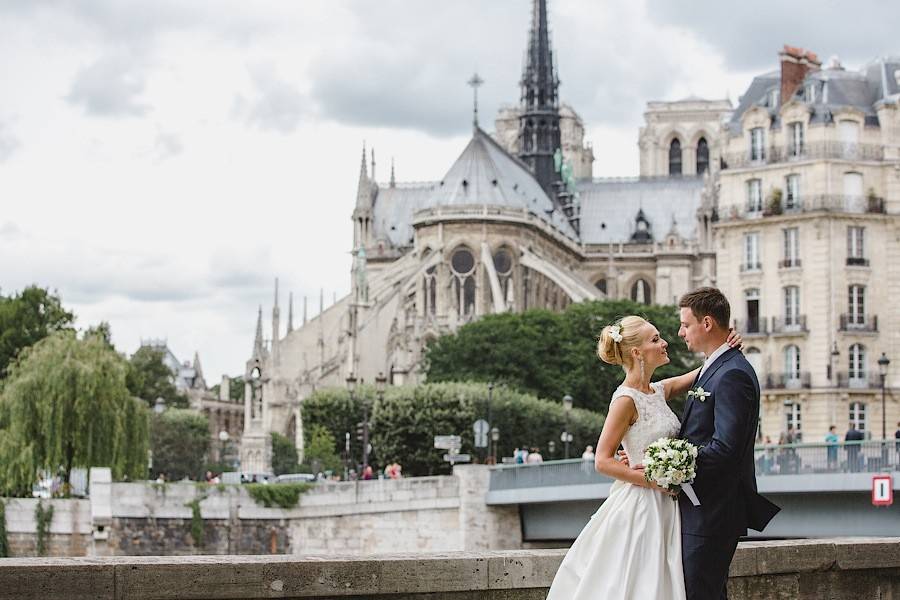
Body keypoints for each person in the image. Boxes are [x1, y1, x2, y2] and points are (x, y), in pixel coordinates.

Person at [547, 291, 773, 600]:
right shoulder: (625, 399)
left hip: (676, 504)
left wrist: (724, 349)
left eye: (678, 328)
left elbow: (705, 376)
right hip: (647, 503)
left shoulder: (656, 390)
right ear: (637, 353)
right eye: (655, 339)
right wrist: (657, 478)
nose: (668, 339)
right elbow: (602, 460)